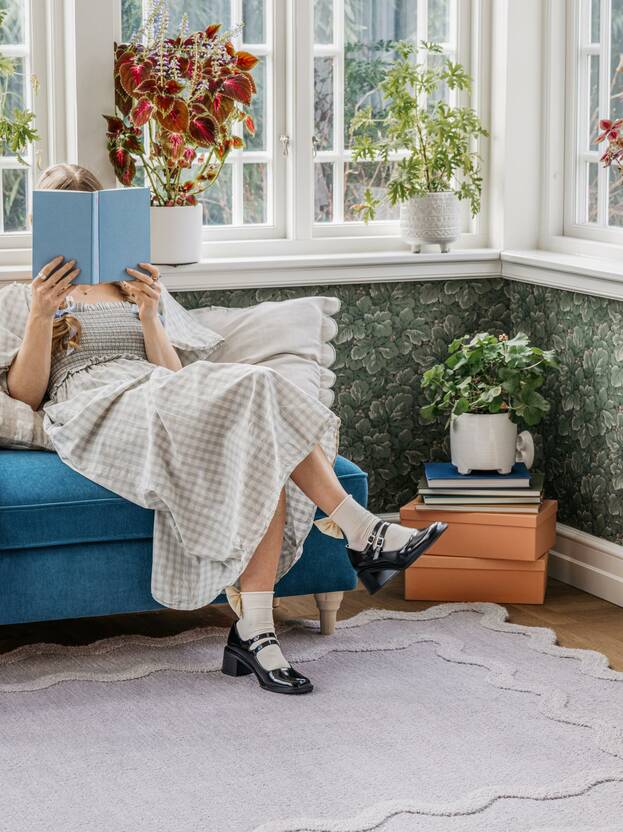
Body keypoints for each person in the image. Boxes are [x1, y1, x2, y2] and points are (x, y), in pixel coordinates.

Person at [2, 163, 446, 696]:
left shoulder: (135, 284)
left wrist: (148, 313)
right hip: (93, 405)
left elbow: (171, 375)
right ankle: (358, 535)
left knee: (260, 420)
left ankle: (258, 631)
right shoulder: (22, 296)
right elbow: (26, 395)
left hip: (159, 391)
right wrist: (38, 315)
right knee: (258, 394)